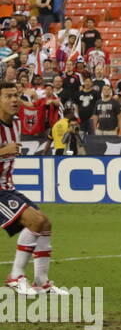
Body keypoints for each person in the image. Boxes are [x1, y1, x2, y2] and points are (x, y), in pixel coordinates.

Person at [0, 82, 67, 296]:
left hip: (7, 187)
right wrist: (3, 151)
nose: (13, 100)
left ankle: (41, 281)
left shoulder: (17, 123)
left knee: (45, 223)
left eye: (16, 96)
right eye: (8, 96)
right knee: (36, 221)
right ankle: (15, 276)